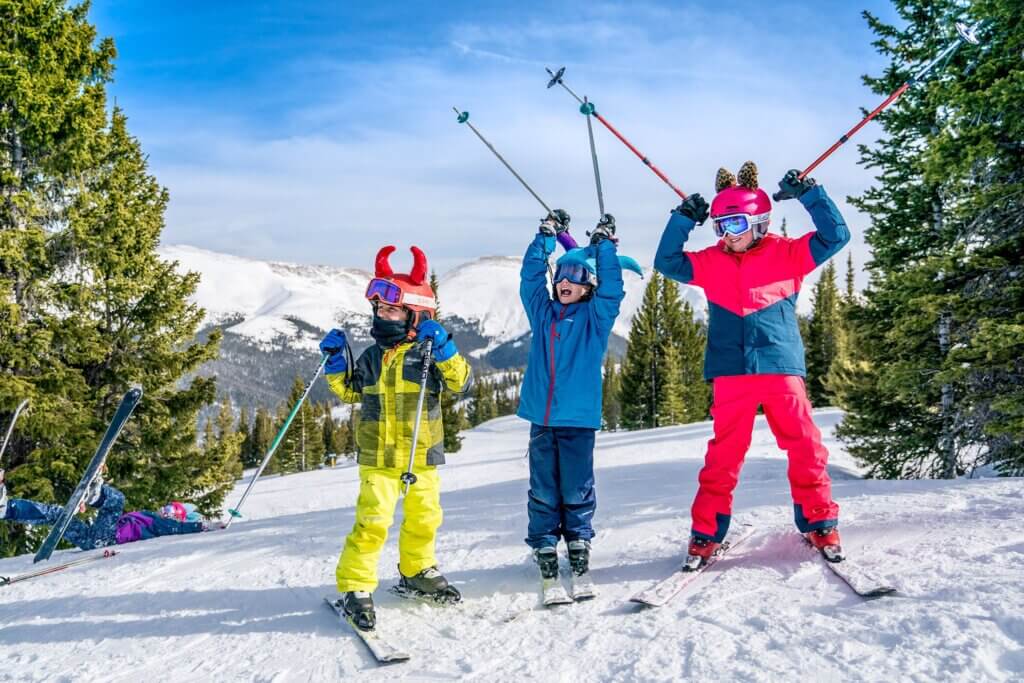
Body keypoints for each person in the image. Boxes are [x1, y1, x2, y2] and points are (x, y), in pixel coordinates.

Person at [653, 162, 851, 566]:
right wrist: (683, 220)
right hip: (732, 373)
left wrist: (810, 195)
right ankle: (705, 535)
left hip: (780, 367)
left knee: (805, 446)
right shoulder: (710, 262)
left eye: (736, 223)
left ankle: (821, 523)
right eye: (721, 226)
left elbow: (837, 235)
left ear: (759, 221)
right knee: (724, 455)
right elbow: (667, 262)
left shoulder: (789, 254)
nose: (727, 234)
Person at [319, 245, 473, 631]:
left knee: (425, 518)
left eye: (391, 310)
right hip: (379, 456)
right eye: (379, 310)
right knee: (372, 522)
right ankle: (356, 585)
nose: (381, 316)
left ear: (416, 315)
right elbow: (352, 392)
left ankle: (417, 569)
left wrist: (445, 350)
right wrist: (337, 365)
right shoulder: (373, 356)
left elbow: (462, 383)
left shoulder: (428, 355)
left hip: (422, 454)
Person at [516, 210, 625, 586]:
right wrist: (545, 237)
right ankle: (544, 540)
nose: (565, 280)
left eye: (576, 276)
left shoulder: (596, 319)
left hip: (578, 420)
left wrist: (605, 247)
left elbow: (613, 288)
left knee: (577, 484)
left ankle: (579, 538)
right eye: (561, 275)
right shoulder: (543, 314)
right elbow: (531, 279)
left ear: (587, 286)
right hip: (542, 419)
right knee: (543, 486)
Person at [0, 466, 208, 550]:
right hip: (94, 539)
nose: (165, 510)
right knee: (58, 515)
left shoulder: (161, 525)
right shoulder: (148, 519)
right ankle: (7, 509)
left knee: (117, 500)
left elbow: (178, 528)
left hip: (107, 539)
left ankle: (96, 496)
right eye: (167, 506)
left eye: (172, 511)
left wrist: (199, 527)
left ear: (177, 519)